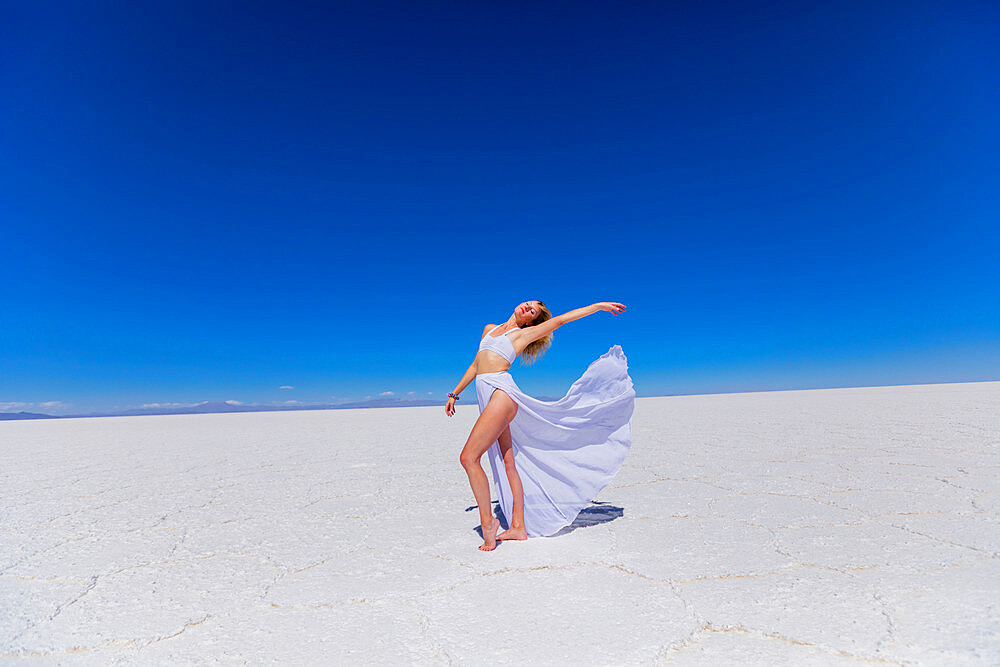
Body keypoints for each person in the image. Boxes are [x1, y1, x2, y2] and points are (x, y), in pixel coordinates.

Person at [445, 301, 635, 551]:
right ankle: (518, 527)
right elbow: (475, 365)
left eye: (533, 311)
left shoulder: (523, 334)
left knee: (469, 458)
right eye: (528, 303)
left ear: (531, 322)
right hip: (488, 394)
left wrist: (597, 307)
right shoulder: (489, 329)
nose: (527, 307)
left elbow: (561, 320)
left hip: (502, 395)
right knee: (508, 462)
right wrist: (454, 393)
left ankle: (488, 522)